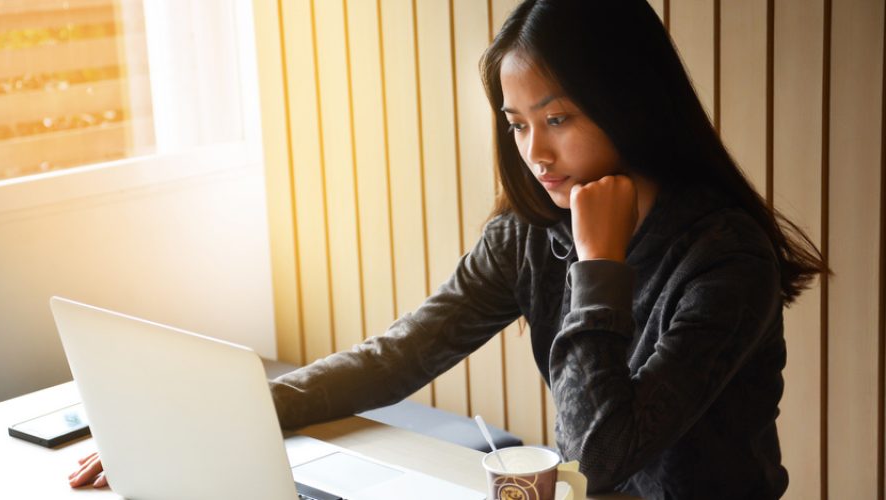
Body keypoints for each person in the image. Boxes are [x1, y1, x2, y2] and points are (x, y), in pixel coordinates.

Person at [69, 0, 824, 498]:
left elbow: (601, 450)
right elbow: (402, 353)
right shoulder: (532, 230)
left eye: (557, 117)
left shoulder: (728, 259)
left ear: (629, 102)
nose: (535, 151)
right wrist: (229, 411)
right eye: (518, 123)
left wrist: (600, 268)